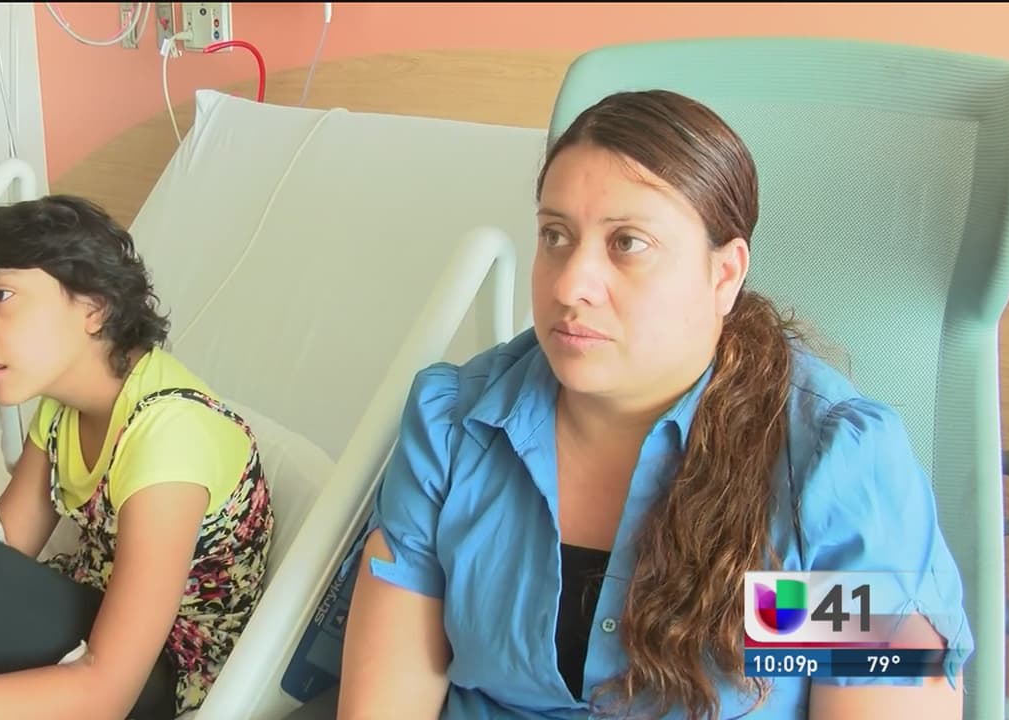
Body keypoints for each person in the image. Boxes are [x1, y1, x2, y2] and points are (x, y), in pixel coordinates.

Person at [337, 90, 972, 719]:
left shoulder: (829, 472)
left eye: (628, 243)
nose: (570, 284)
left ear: (724, 274)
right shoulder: (455, 430)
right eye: (555, 235)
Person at [0, 195, 274, 720]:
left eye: (0, 294)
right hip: (73, 628)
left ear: (94, 307)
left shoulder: (169, 436)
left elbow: (106, 693)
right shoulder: (62, 410)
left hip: (151, 679)